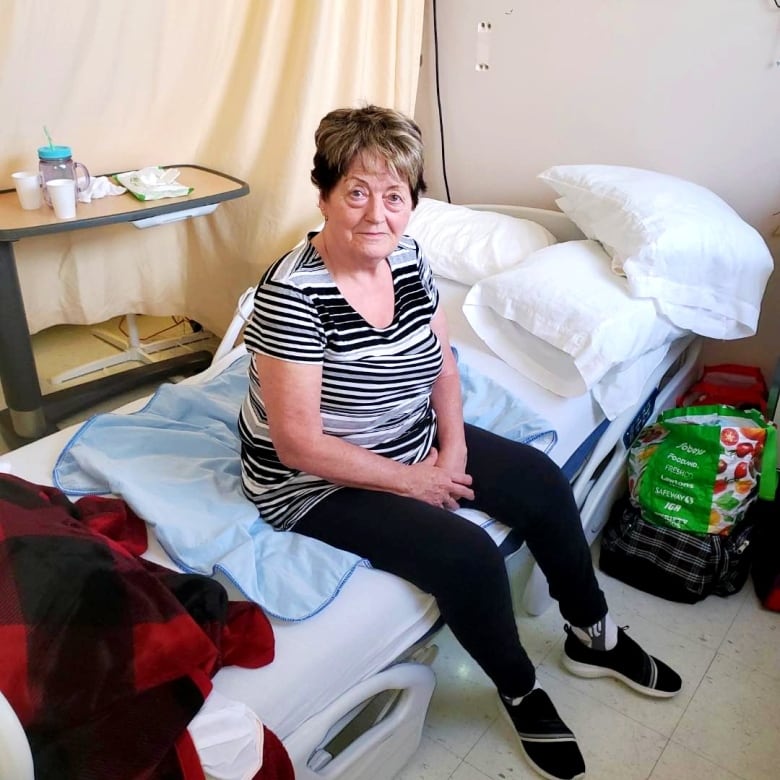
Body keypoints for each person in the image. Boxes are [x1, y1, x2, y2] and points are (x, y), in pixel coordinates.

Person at [238, 105, 682, 780]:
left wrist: (452, 451)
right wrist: (414, 483)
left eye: (394, 196)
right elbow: (298, 445)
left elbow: (442, 363)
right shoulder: (293, 294)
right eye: (355, 192)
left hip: (405, 432)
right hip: (314, 478)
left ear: (412, 203)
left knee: (539, 481)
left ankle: (594, 635)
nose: (375, 214)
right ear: (324, 193)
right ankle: (518, 687)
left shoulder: (410, 258)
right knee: (470, 557)